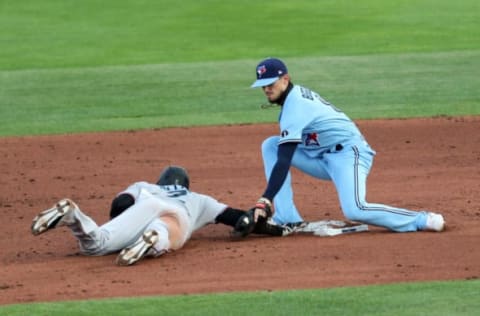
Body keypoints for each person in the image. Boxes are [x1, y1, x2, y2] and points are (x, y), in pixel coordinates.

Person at [245, 57, 445, 233]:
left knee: (355, 209)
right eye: (263, 85)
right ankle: (288, 218)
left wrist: (265, 199)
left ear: (285, 79)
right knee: (271, 145)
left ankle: (421, 219)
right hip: (321, 158)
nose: (266, 89)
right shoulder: (291, 99)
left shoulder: (296, 106)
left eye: (270, 83)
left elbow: (284, 159)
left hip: (349, 154)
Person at [31, 166, 284, 266]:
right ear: (186, 184)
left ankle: (73, 215)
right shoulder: (200, 199)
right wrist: (260, 223)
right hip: (180, 216)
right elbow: (238, 218)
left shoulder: (145, 186)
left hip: (148, 204)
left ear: (161, 180)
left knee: (96, 244)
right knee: (167, 228)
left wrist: (126, 225)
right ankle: (155, 238)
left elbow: (120, 204)